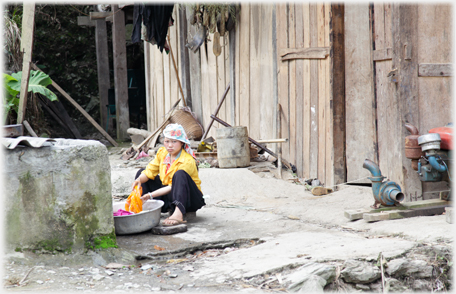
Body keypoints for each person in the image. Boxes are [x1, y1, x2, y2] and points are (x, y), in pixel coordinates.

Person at [131, 123, 205, 226]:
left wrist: (150, 195)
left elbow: (172, 187)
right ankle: (141, 206)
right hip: (169, 196)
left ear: (182, 143)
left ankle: (178, 213)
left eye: (174, 141)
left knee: (179, 175)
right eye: (167, 141)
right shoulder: (163, 153)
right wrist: (138, 180)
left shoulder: (187, 160)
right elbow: (150, 171)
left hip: (189, 198)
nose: (170, 145)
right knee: (141, 173)